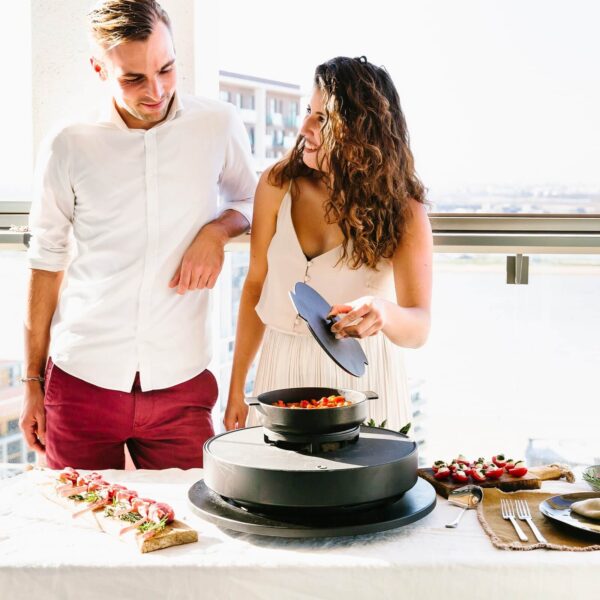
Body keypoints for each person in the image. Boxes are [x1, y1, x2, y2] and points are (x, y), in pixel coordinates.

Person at [19, 0, 256, 469]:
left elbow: (250, 201)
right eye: (133, 78)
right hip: (81, 380)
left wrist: (216, 231)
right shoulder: (69, 144)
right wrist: (31, 382)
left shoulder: (217, 124)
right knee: (79, 527)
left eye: (167, 69)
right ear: (98, 69)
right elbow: (45, 261)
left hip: (182, 381)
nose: (157, 90)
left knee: (197, 531)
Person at [224, 56, 432, 432]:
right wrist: (237, 388)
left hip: (364, 379)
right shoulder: (276, 183)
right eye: (308, 111)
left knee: (365, 491)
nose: (304, 126)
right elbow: (255, 285)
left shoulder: (405, 212)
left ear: (360, 131)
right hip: (280, 372)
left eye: (322, 118)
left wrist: (382, 312)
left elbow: (419, 327)